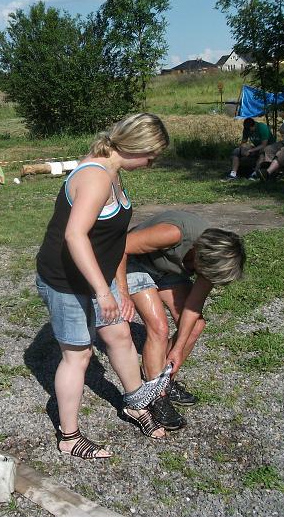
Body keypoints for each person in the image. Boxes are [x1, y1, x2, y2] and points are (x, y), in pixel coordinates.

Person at [35, 112, 171, 459]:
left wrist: (119, 289)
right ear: (136, 147)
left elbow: (114, 241)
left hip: (98, 276)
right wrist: (101, 291)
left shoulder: (113, 172)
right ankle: (69, 438)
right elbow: (75, 235)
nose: (152, 163)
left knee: (120, 335)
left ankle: (135, 405)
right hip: (66, 280)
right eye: (151, 156)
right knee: (78, 356)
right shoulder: (95, 177)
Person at [123, 211, 245, 430]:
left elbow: (192, 306)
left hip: (166, 271)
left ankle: (164, 380)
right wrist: (122, 292)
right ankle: (155, 397)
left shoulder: (213, 260)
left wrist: (178, 348)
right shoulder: (172, 234)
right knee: (158, 328)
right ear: (199, 256)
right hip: (133, 262)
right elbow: (118, 248)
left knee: (195, 325)